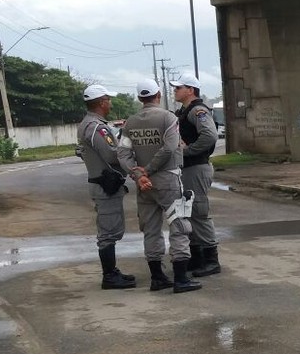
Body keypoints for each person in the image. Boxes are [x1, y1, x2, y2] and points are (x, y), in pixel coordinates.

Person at [117, 79, 202, 294]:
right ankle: (181, 279)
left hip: (144, 185)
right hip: (168, 180)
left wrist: (138, 174)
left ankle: (157, 277)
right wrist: (149, 169)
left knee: (151, 229)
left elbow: (123, 153)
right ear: (158, 95)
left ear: (139, 98)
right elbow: (170, 147)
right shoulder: (168, 118)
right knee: (179, 226)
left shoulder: (130, 123)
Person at [77, 84, 136, 290]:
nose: (110, 103)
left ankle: (112, 272)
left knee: (111, 229)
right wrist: (126, 145)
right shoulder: (96, 127)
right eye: (108, 100)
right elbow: (112, 154)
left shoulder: (90, 124)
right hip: (105, 185)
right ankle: (109, 276)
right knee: (109, 232)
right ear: (102, 103)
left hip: (103, 183)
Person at [172, 73, 221, 277]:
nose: (175, 91)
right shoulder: (184, 111)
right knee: (186, 212)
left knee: (198, 212)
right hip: (187, 169)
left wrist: (187, 151)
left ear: (190, 90)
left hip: (195, 167)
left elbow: (209, 135)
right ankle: (196, 257)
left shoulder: (197, 110)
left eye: (178, 88)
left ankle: (211, 259)